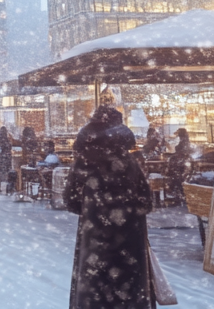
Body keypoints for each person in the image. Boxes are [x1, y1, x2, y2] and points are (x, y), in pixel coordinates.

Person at [65, 106, 152, 308]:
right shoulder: (129, 160)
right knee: (128, 278)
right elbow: (146, 199)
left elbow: (70, 199)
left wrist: (94, 209)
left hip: (95, 230)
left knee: (95, 277)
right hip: (129, 230)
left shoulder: (85, 160)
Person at [164, 128, 192, 206]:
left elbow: (181, 152)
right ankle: (178, 194)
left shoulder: (183, 142)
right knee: (176, 176)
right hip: (182, 163)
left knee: (175, 176)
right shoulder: (185, 141)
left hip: (180, 164)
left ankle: (177, 194)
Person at [0, 126, 14, 194]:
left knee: (0, 173)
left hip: (1, 159)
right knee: (8, 172)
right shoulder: (7, 140)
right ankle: (8, 188)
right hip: (7, 158)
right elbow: (10, 147)